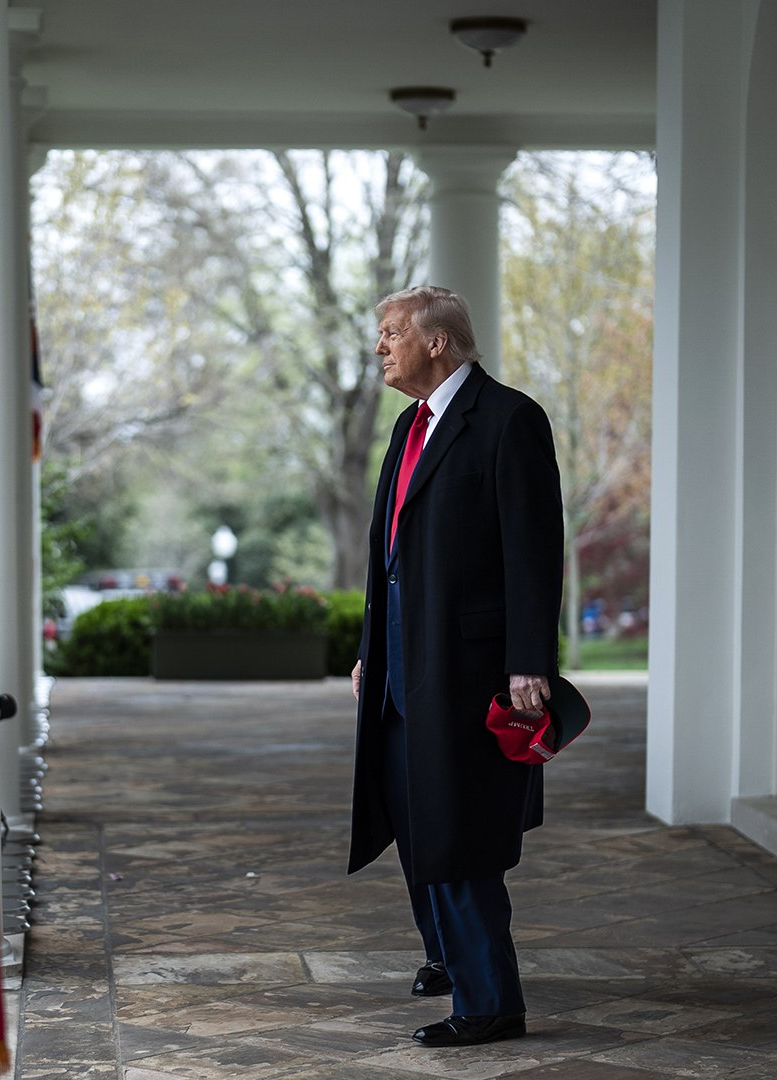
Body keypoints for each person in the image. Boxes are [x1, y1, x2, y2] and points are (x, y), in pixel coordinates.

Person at [347, 285, 562, 1047]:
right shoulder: (409, 424)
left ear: (436, 342)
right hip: (403, 668)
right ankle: (447, 954)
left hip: (469, 672)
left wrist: (529, 662)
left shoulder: (509, 419)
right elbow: (390, 555)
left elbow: (533, 550)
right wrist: (372, 647)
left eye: (391, 332)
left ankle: (491, 1003)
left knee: (460, 831)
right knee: (416, 820)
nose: (380, 346)